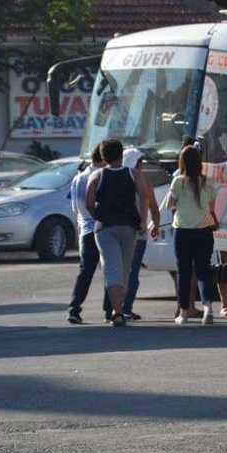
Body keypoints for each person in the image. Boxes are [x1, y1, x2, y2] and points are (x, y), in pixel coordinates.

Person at [86, 139, 158, 327]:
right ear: (121, 155)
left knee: (111, 268)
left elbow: (88, 202)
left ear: (103, 157)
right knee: (125, 269)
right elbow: (144, 197)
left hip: (104, 228)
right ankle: (120, 309)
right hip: (128, 227)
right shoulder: (133, 174)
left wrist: (98, 215)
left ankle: (116, 312)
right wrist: (143, 220)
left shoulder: (97, 176)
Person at [165, 145, 219, 325]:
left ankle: (184, 313)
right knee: (204, 270)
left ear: (183, 162)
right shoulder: (209, 182)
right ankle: (208, 309)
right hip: (204, 230)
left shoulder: (178, 182)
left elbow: (170, 205)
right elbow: (211, 207)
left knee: (184, 272)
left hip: (183, 231)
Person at [67, 145, 111, 324]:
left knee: (85, 272)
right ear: (103, 159)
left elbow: (75, 208)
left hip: (85, 229)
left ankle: (74, 309)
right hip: (104, 228)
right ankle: (110, 310)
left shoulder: (78, 178)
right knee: (111, 270)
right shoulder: (102, 176)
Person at [120, 148, 161, 321]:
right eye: (141, 162)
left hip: (116, 231)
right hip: (138, 233)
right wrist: (156, 225)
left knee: (118, 271)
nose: (143, 165)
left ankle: (114, 308)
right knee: (132, 271)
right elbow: (153, 207)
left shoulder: (113, 178)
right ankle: (126, 308)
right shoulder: (143, 180)